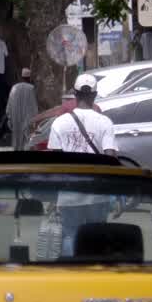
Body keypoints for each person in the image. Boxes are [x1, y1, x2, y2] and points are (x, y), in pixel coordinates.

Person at [48, 73, 120, 257]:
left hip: (69, 192)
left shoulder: (59, 123)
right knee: (97, 238)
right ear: (94, 95)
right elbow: (110, 159)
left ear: (74, 94)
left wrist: (53, 196)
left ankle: (71, 271)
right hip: (97, 193)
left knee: (70, 235)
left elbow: (55, 163)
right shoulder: (105, 122)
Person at [5, 68, 39, 150]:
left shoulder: (14, 87)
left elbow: (9, 104)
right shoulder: (31, 88)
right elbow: (33, 105)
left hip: (15, 119)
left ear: (22, 77)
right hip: (27, 120)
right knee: (26, 141)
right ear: (29, 78)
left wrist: (10, 116)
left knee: (16, 141)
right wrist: (35, 118)